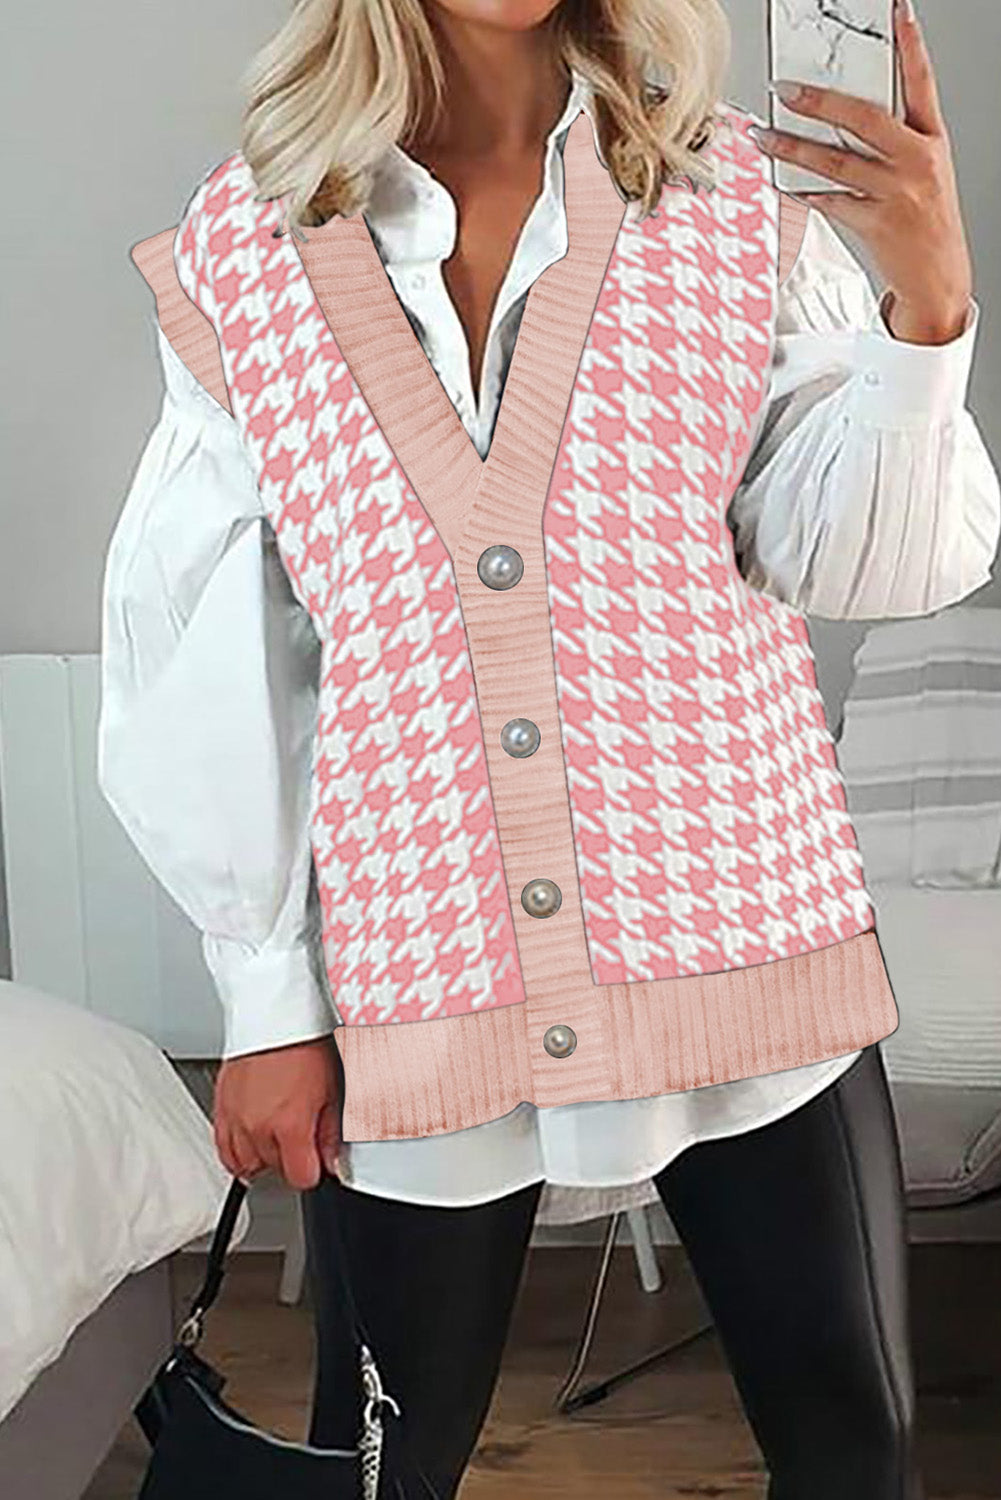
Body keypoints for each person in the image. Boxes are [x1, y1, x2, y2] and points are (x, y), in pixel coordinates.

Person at [98, 0, 999, 1495]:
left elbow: (865, 563)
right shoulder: (247, 245)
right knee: (384, 1474)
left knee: (857, 1458)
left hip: (748, 939)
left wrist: (927, 313)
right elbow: (212, 643)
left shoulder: (735, 193)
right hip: (419, 973)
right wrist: (264, 996)